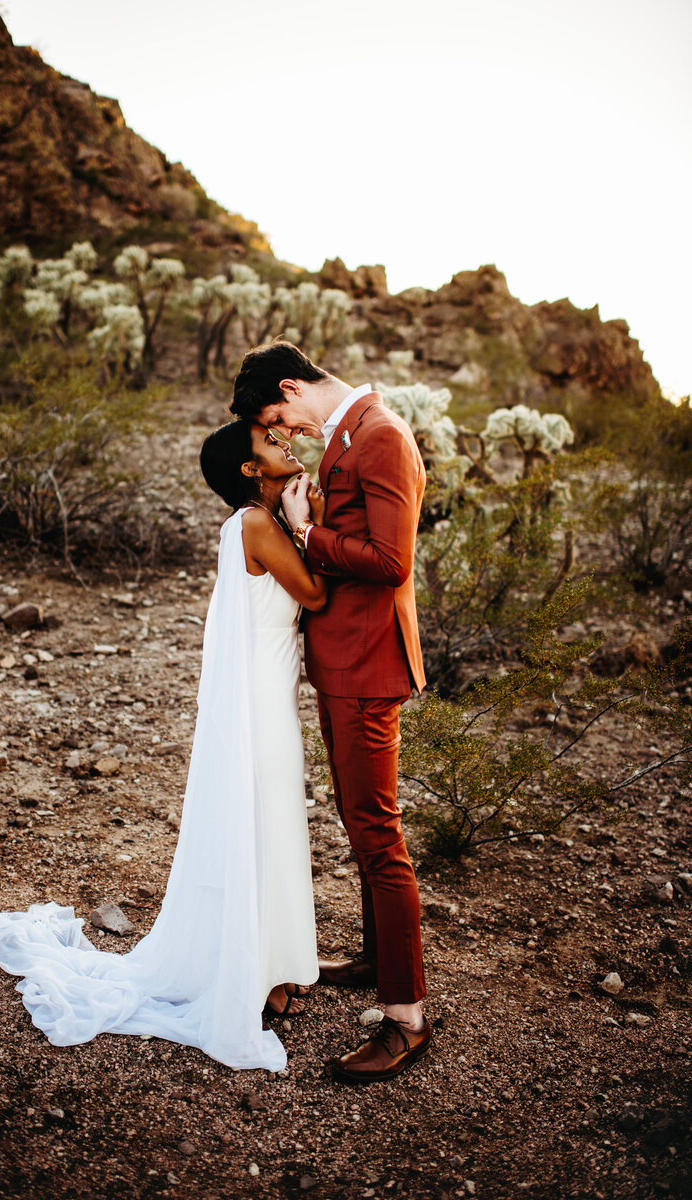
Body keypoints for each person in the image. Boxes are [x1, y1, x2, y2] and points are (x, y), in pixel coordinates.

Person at [0, 420, 328, 1072]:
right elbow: (314, 592)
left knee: (271, 828)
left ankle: (272, 971)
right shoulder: (256, 525)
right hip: (260, 702)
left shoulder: (257, 522)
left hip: (269, 693)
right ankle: (262, 974)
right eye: (268, 442)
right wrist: (305, 523)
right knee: (266, 827)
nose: (283, 444)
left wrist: (295, 520)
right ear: (250, 471)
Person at [230, 340, 432, 1083]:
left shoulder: (378, 436)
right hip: (346, 660)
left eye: (277, 416)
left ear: (292, 386)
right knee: (359, 820)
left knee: (378, 832)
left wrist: (307, 533)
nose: (285, 431)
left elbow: (391, 561)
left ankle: (406, 1017)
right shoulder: (352, 434)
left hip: (367, 664)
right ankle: (380, 959)